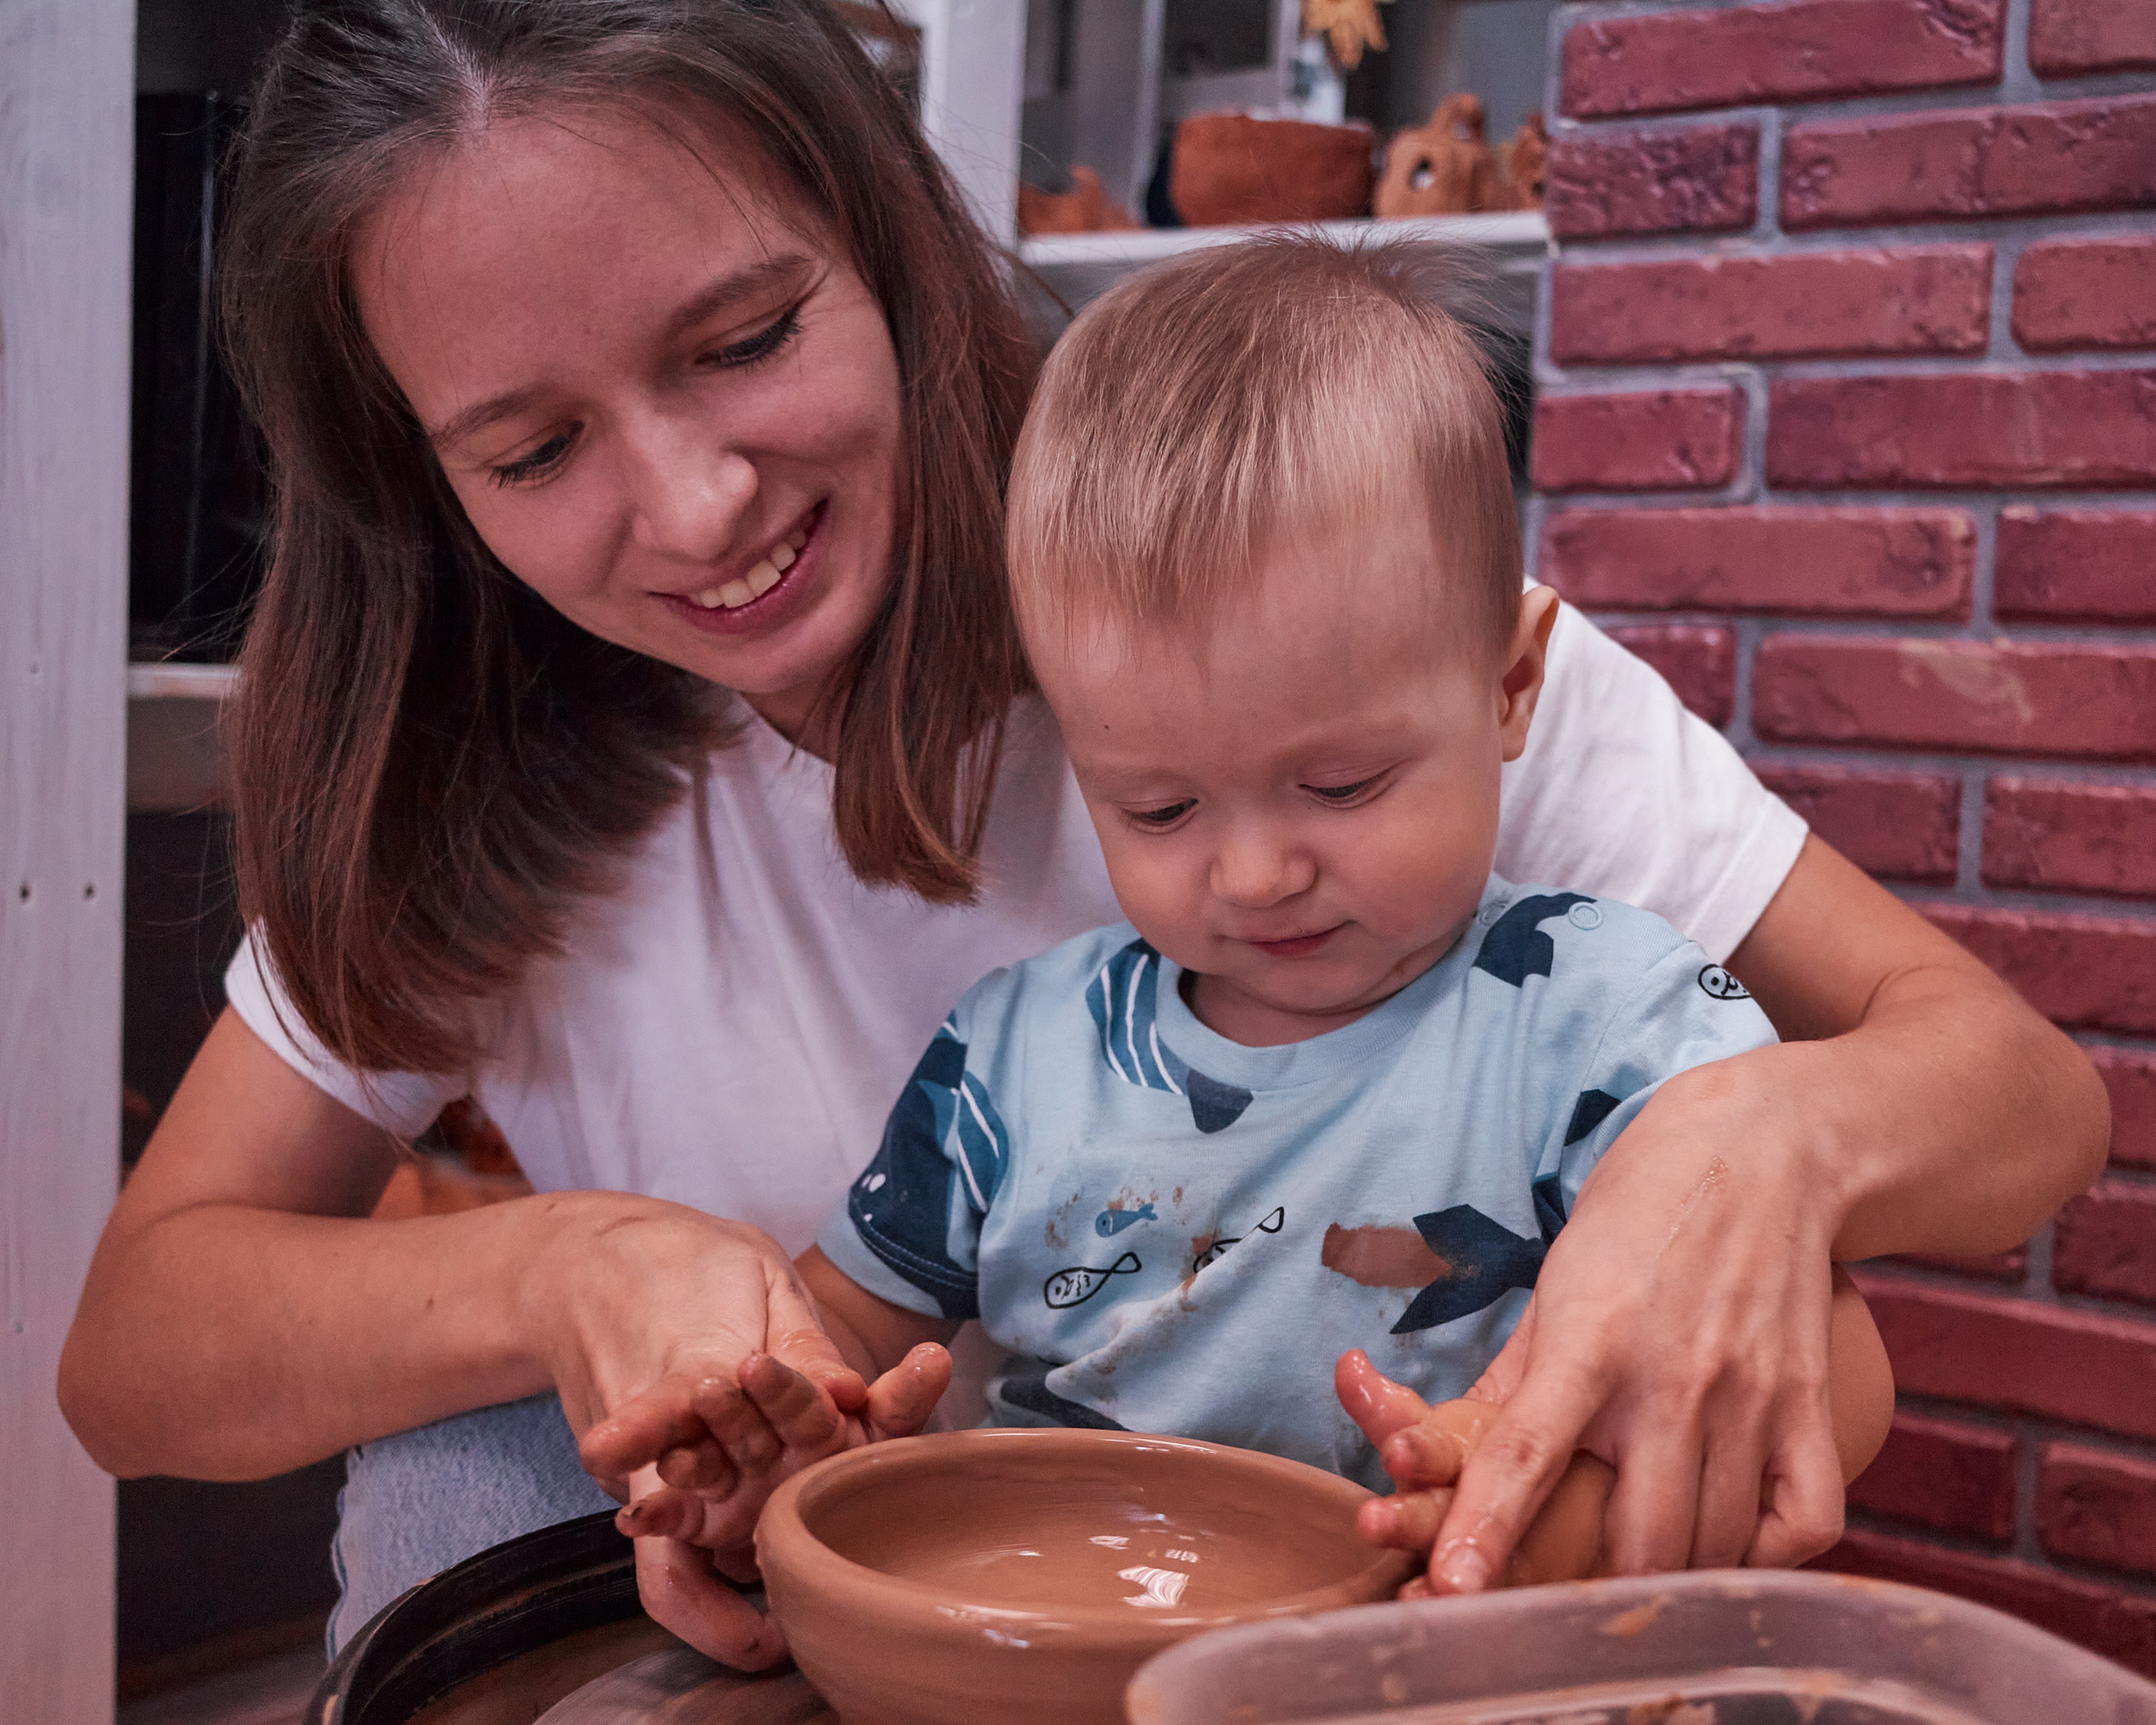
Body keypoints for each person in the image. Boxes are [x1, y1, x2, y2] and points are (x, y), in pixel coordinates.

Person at [58, 0, 2105, 1674]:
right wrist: (577, 1272)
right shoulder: (482, 767)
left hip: (1382, 1608)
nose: (691, 510)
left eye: (749, 337)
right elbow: (136, 1354)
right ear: (411, 481)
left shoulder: (1291, 600)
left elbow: (2012, 1097)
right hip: (927, 1602)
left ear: (887, 242)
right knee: (471, 1472)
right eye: (533, 447)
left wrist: (1752, 1143)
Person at [613, 238, 1897, 1594]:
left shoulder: (1607, 1019)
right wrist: (774, 1432)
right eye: (1157, 811)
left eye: (1340, 784)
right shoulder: (1012, 1063)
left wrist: (1543, 1525)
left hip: (1452, 1661)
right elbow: (840, 1333)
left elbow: (1831, 1357)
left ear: (1511, 688)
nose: (1254, 875)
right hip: (1065, 1645)